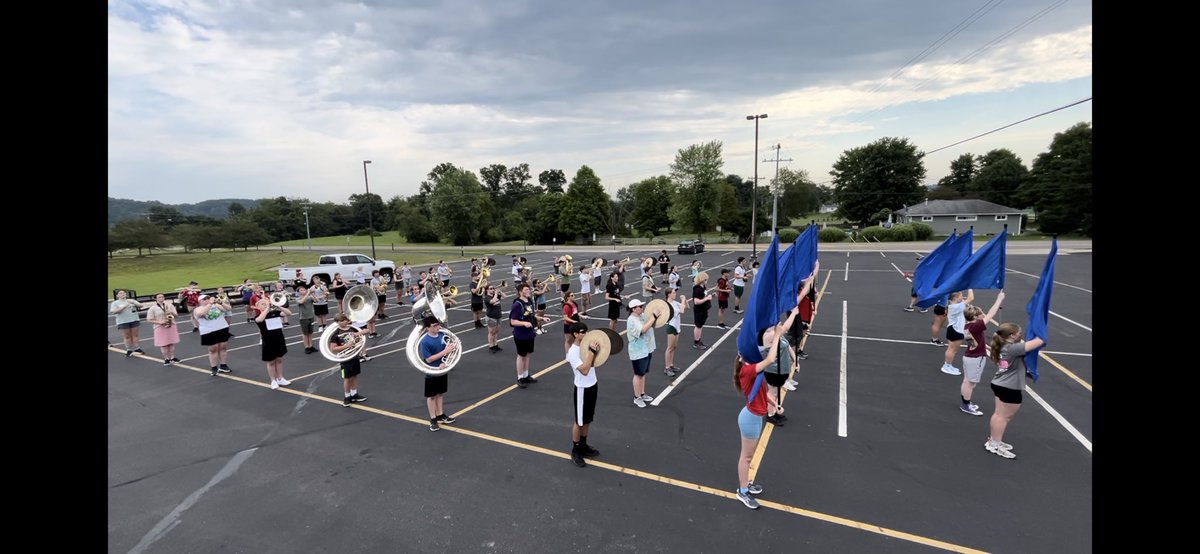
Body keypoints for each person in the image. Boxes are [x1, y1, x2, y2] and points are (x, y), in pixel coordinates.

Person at [733, 302, 795, 509]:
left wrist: (774, 404)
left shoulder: (751, 369)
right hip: (750, 418)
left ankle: (746, 484)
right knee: (746, 456)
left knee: (749, 455)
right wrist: (777, 334)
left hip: (756, 414)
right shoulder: (748, 370)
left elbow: (761, 392)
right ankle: (742, 491)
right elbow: (770, 359)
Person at [985, 322, 1046, 459]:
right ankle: (996, 444)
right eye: (1019, 333)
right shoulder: (1013, 348)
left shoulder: (1003, 345)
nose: (1021, 334)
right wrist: (1041, 325)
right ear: (1011, 335)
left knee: (999, 415)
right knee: (1004, 417)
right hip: (1009, 387)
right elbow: (1040, 341)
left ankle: (994, 441)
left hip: (999, 383)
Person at [960, 291, 1004, 416]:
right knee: (971, 383)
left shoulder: (968, 325)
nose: (983, 315)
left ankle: (965, 402)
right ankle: (966, 405)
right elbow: (991, 313)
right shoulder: (976, 326)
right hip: (976, 358)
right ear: (975, 317)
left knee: (966, 381)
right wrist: (999, 299)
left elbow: (978, 341)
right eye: (980, 314)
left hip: (968, 356)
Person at [566, 322, 603, 467]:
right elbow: (585, 370)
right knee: (579, 421)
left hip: (593, 384)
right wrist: (591, 353)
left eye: (587, 331)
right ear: (576, 334)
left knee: (588, 419)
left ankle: (583, 445)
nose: (586, 334)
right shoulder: (573, 352)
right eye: (583, 332)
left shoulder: (586, 346)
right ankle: (575, 450)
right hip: (582, 388)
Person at [418, 315, 458, 431]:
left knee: (440, 394)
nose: (438, 327)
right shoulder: (425, 341)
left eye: (438, 324)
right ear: (427, 328)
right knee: (431, 396)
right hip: (432, 372)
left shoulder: (442, 335)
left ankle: (440, 414)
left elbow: (450, 348)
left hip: (443, 368)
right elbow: (428, 359)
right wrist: (445, 352)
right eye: (434, 326)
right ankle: (433, 419)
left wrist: (450, 350)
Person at [510, 283, 548, 388]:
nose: (529, 291)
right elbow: (513, 321)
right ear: (520, 292)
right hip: (520, 334)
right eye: (526, 290)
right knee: (521, 356)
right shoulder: (517, 304)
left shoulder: (530, 301)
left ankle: (526, 375)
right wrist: (524, 323)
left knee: (528, 355)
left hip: (530, 333)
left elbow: (531, 315)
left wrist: (541, 318)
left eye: (529, 289)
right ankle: (520, 377)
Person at [254, 296, 293, 390]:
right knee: (271, 361)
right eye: (262, 304)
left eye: (266, 302)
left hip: (279, 338)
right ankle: (273, 380)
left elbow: (289, 313)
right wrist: (267, 308)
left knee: (279, 359)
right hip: (268, 341)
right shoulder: (258, 316)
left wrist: (278, 306)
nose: (265, 304)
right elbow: (259, 320)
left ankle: (280, 378)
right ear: (258, 307)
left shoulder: (275, 313)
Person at [329, 313, 367, 407]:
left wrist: (358, 333)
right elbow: (333, 348)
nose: (345, 322)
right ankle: (347, 397)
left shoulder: (352, 329)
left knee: (354, 376)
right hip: (345, 359)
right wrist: (346, 346)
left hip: (354, 356)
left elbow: (366, 331)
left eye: (345, 320)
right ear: (337, 322)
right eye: (342, 321)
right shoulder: (335, 334)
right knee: (347, 378)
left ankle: (354, 394)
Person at [626, 299, 658, 408]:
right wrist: (653, 317)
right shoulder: (632, 320)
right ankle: (637, 397)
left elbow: (652, 320)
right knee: (638, 374)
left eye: (641, 305)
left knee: (643, 373)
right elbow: (643, 329)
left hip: (647, 348)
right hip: (638, 351)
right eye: (639, 306)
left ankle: (642, 393)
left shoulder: (642, 316)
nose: (642, 307)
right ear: (633, 309)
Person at [193, 294, 234, 376]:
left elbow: (228, 309)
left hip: (222, 328)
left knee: (223, 347)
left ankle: (223, 365)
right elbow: (201, 314)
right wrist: (210, 304)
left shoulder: (216, 305)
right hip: (209, 331)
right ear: (200, 301)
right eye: (205, 299)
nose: (207, 299)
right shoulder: (197, 309)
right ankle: (214, 367)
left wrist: (221, 302)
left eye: (208, 298)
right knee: (213, 349)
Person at [940, 289, 974, 376]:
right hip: (956, 330)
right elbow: (971, 298)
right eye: (960, 296)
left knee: (950, 348)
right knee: (953, 350)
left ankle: (948, 364)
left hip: (952, 329)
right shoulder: (956, 307)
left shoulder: (953, 305)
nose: (962, 297)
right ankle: (947, 366)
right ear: (955, 298)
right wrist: (970, 287)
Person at [146, 293, 181, 365]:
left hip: (171, 325)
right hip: (160, 327)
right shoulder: (153, 308)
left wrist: (171, 312)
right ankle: (166, 358)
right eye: (159, 297)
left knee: (171, 342)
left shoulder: (169, 305)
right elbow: (149, 319)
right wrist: (160, 322)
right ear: (156, 299)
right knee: (163, 344)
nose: (161, 298)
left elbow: (176, 315)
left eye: (162, 296)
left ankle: (172, 357)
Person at [662, 287, 689, 378]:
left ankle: (671, 365)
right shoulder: (669, 304)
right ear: (669, 294)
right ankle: (667, 367)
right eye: (673, 293)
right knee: (669, 348)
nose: (675, 294)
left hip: (677, 327)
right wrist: (683, 299)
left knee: (674, 347)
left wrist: (684, 301)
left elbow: (685, 308)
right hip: (672, 327)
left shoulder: (674, 302)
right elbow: (681, 310)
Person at [111, 290, 146, 358]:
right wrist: (124, 306)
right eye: (120, 293)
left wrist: (134, 303)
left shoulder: (130, 300)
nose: (123, 294)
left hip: (134, 319)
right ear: (117, 295)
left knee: (135, 335)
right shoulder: (115, 303)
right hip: (123, 321)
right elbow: (114, 311)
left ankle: (137, 348)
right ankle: (129, 349)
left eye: (124, 293)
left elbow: (141, 305)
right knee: (127, 336)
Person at [691, 272, 714, 349]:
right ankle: (696, 342)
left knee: (700, 326)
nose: (707, 280)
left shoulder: (703, 287)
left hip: (704, 309)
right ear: (702, 279)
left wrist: (710, 296)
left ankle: (699, 340)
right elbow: (696, 301)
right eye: (706, 279)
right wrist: (707, 298)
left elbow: (703, 296)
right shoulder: (697, 289)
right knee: (698, 326)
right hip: (699, 310)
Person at [295, 284, 318, 355]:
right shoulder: (298, 298)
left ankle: (311, 346)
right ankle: (306, 347)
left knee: (310, 333)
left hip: (311, 316)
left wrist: (312, 294)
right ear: (299, 292)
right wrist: (307, 293)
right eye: (301, 290)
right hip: (303, 318)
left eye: (304, 289)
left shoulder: (309, 297)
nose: (303, 291)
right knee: (305, 333)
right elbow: (301, 302)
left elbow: (317, 300)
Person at [485, 284, 505, 353]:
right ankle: (491, 346)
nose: (492, 289)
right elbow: (493, 301)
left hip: (498, 316)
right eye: (491, 288)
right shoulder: (487, 297)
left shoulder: (495, 295)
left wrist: (500, 291)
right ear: (487, 290)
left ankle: (495, 345)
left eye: (493, 288)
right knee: (491, 333)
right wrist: (496, 293)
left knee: (496, 332)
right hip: (491, 317)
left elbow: (505, 296)